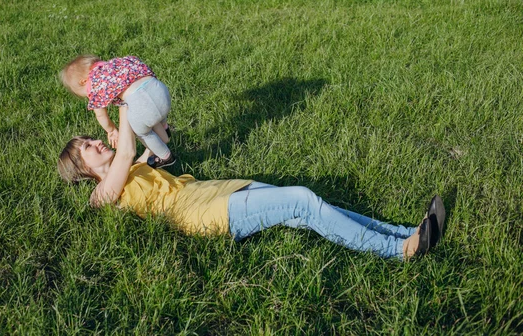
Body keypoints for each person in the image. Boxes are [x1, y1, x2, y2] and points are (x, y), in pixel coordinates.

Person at [57, 105, 445, 260]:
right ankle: (400, 252)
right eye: (88, 148)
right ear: (84, 171)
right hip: (203, 214)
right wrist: (123, 104)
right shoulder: (102, 194)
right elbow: (124, 154)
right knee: (303, 202)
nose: (95, 142)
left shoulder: (133, 168)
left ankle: (405, 232)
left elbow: (159, 143)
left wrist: (152, 121)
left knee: (304, 211)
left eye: (91, 139)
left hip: (213, 191)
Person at [60, 55, 175, 168]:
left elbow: (100, 114)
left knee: (143, 132)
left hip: (141, 103)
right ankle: (164, 128)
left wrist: (111, 130)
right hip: (160, 90)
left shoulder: (94, 84)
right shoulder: (116, 64)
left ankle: (165, 157)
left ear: (83, 81)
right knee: (156, 114)